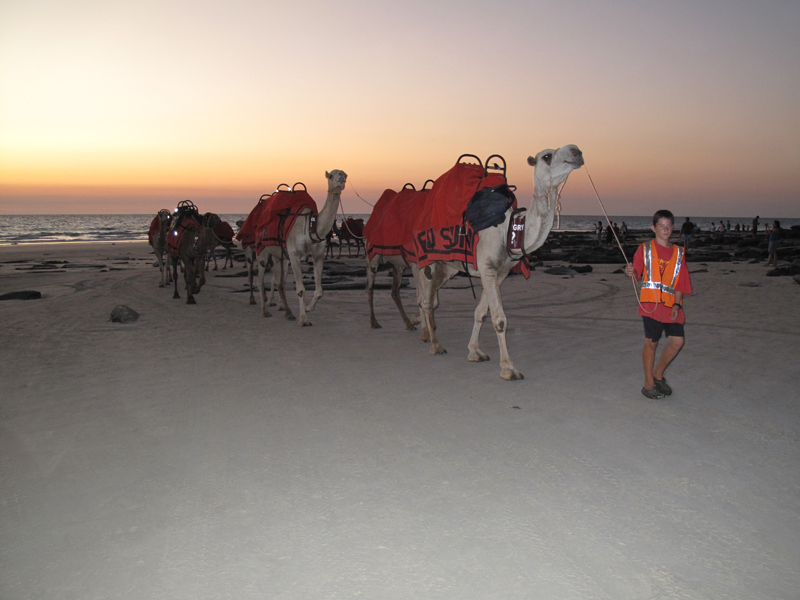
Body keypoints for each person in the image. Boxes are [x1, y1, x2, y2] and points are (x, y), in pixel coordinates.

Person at [625, 210, 693, 400]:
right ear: (653, 228)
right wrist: (629, 271)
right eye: (661, 226)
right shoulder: (645, 248)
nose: (665, 229)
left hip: (671, 304)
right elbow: (635, 273)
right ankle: (648, 384)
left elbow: (680, 282)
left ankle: (658, 375)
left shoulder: (679, 252)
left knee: (677, 341)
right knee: (651, 343)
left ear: (673, 228)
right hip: (651, 304)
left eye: (669, 226)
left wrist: (677, 305)